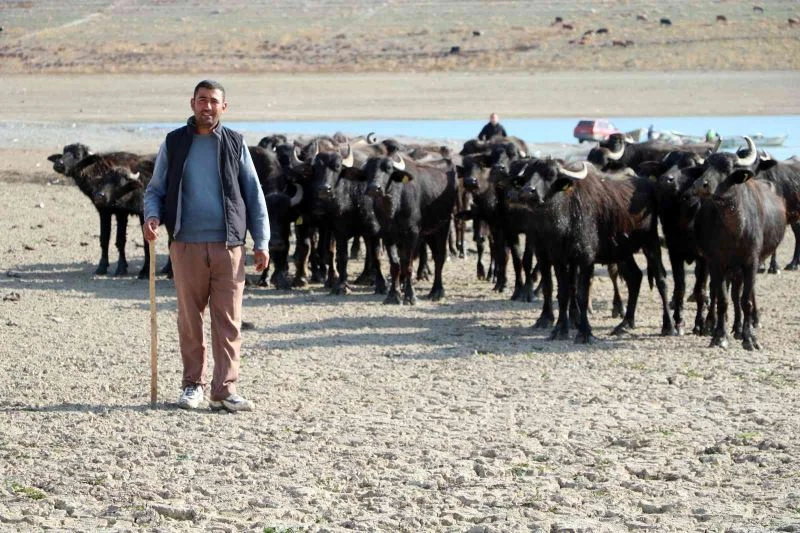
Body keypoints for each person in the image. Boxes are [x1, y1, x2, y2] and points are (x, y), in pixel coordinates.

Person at [143, 80, 270, 412]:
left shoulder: (234, 144)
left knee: (228, 319)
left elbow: (254, 194)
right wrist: (152, 216)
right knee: (189, 318)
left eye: (214, 101)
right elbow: (155, 189)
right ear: (192, 103)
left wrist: (262, 241)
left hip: (229, 246)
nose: (207, 107)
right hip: (185, 244)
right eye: (202, 100)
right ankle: (192, 385)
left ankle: (224, 390)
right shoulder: (174, 143)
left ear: (223, 107)